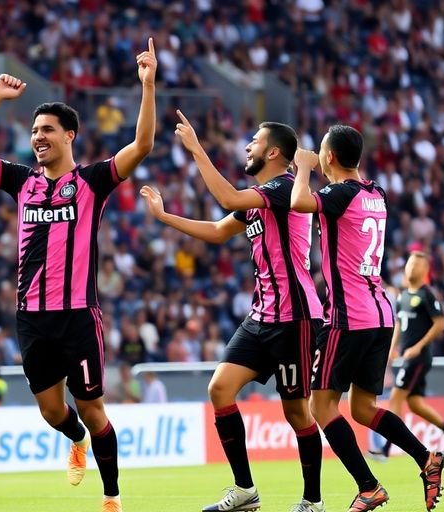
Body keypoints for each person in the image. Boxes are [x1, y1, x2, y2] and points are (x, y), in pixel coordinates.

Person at [0, 38, 158, 512]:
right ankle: (76, 440)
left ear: (70, 136)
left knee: (92, 406)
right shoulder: (22, 182)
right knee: (52, 411)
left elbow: (143, 144)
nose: (37, 137)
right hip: (32, 318)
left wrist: (147, 86)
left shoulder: (91, 182)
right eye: (33, 131)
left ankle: (111, 497)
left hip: (77, 317)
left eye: (47, 129)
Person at [141, 114, 324, 512]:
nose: (247, 147)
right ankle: (245, 491)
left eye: (254, 141)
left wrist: (195, 149)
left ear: (273, 152)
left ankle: (313, 500)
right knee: (219, 389)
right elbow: (218, 229)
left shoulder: (284, 189)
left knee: (296, 412)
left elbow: (227, 199)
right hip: (262, 316)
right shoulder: (258, 199)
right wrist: (165, 217)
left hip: (296, 317)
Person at [291, 125, 444, 512]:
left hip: (349, 316)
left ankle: (369, 486)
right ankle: (427, 458)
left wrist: (303, 168)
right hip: (380, 314)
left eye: (322, 156)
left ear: (329, 158)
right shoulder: (377, 193)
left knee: (321, 406)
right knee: (362, 408)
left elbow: (298, 203)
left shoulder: (339, 192)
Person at [369, 252, 444, 463]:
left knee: (395, 398)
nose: (411, 268)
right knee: (415, 403)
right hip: (408, 356)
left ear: (425, 270)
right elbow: (399, 324)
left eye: (417, 264)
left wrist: (418, 347)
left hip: (419, 358)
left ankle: (386, 448)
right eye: (409, 263)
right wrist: (392, 348)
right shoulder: (402, 296)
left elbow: (440, 324)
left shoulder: (427, 294)